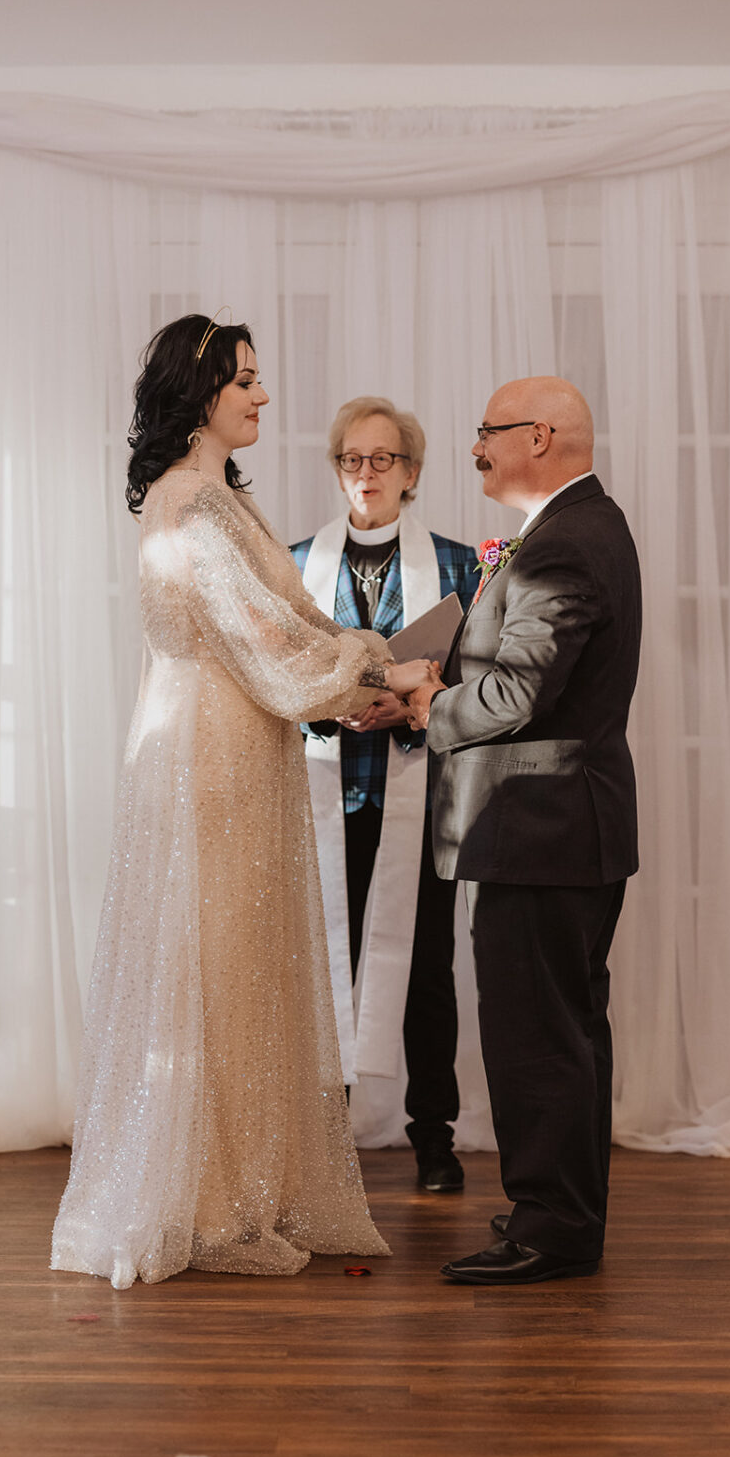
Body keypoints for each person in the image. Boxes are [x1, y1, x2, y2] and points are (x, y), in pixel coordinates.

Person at [51, 314, 431, 1287]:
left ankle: (239, 1184)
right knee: (216, 971)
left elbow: (292, 624)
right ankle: (208, 1201)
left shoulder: (223, 496)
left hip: (236, 738)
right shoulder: (191, 502)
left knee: (243, 966)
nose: (263, 397)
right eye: (246, 382)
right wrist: (370, 673)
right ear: (200, 393)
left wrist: (369, 666)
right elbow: (263, 640)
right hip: (210, 753)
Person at [407, 375, 641, 1285]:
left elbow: (514, 695)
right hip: (558, 826)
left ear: (539, 436)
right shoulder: (578, 527)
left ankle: (552, 1228)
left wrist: (430, 701)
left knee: (538, 1034)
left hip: (540, 829)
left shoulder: (566, 545)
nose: (476, 447)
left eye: (487, 432)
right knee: (567, 1029)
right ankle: (564, 1213)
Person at [291, 398, 478, 1193]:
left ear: (412, 473)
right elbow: (280, 674)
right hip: (320, 796)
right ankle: (320, 1139)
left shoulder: (461, 562)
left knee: (427, 969)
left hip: (419, 794)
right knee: (319, 967)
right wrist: (334, 701)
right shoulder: (297, 563)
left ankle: (433, 1137)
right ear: (337, 468)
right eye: (352, 459)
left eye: (383, 460)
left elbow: (479, 678)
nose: (366, 474)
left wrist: (410, 702)